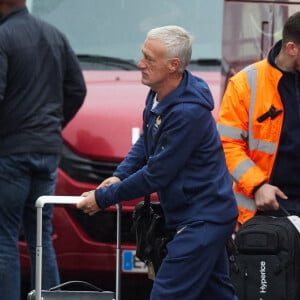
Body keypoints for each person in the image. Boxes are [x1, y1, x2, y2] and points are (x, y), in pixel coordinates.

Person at [77, 25, 238, 299]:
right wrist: (119, 174)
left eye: (149, 59)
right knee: (217, 295)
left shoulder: (187, 113)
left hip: (202, 220)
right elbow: (146, 142)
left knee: (166, 294)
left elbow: (156, 174)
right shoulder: (159, 94)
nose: (140, 64)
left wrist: (103, 198)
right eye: (143, 55)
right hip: (198, 216)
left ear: (173, 65)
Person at [0, 0, 86, 299]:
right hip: (47, 151)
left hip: (10, 152)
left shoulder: (3, 37)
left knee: (5, 237)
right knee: (41, 236)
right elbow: (77, 88)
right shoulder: (55, 35)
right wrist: (52, 125)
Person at [217, 11, 300, 227]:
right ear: (292, 49)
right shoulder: (245, 83)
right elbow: (228, 145)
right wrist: (258, 186)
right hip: (265, 210)